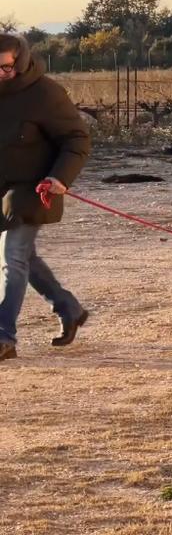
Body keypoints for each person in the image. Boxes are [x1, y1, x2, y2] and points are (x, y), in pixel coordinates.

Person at [0, 32, 91, 361]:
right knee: (24, 259)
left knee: (12, 259)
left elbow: (77, 139)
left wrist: (59, 177)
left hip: (33, 190)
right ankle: (69, 307)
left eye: (5, 68)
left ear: (21, 63)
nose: (0, 74)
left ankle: (3, 336)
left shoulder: (45, 93)